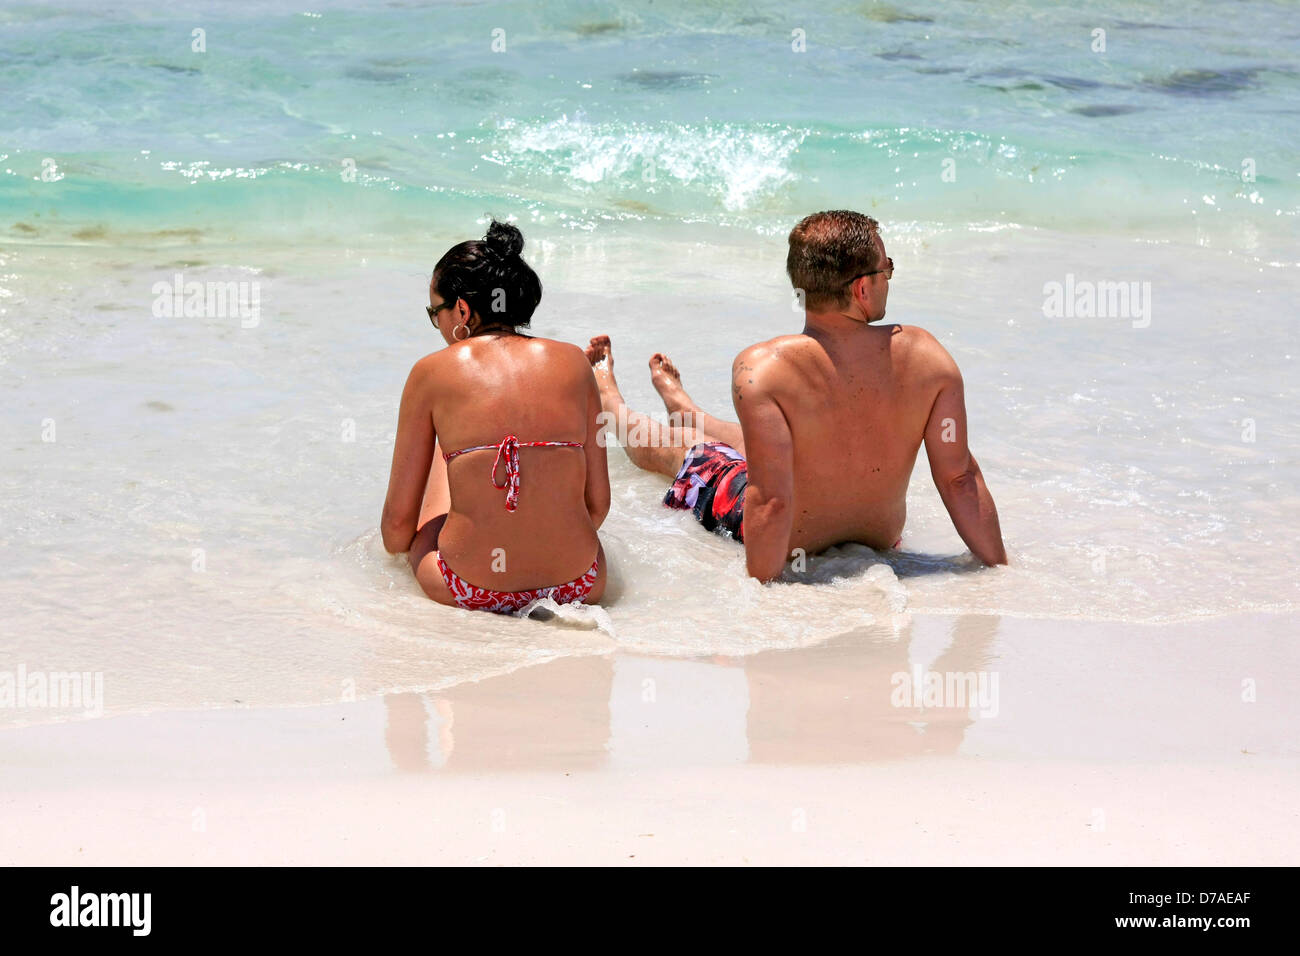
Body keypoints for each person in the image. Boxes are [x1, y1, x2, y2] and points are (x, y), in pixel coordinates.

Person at [587, 209, 1006, 582]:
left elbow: (771, 499)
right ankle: (634, 404)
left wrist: (760, 590)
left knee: (694, 451)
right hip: (880, 539)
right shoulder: (927, 356)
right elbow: (959, 478)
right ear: (862, 289)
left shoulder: (765, 369)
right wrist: (998, 568)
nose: (889, 278)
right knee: (709, 445)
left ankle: (650, 405)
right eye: (887, 269)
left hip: (791, 543)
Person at [381, 220, 609, 612]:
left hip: (470, 587)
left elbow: (396, 532)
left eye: (435, 313)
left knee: (447, 448)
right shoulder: (574, 361)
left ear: (462, 309)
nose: (437, 324)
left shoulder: (432, 372)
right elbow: (598, 505)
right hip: (580, 584)